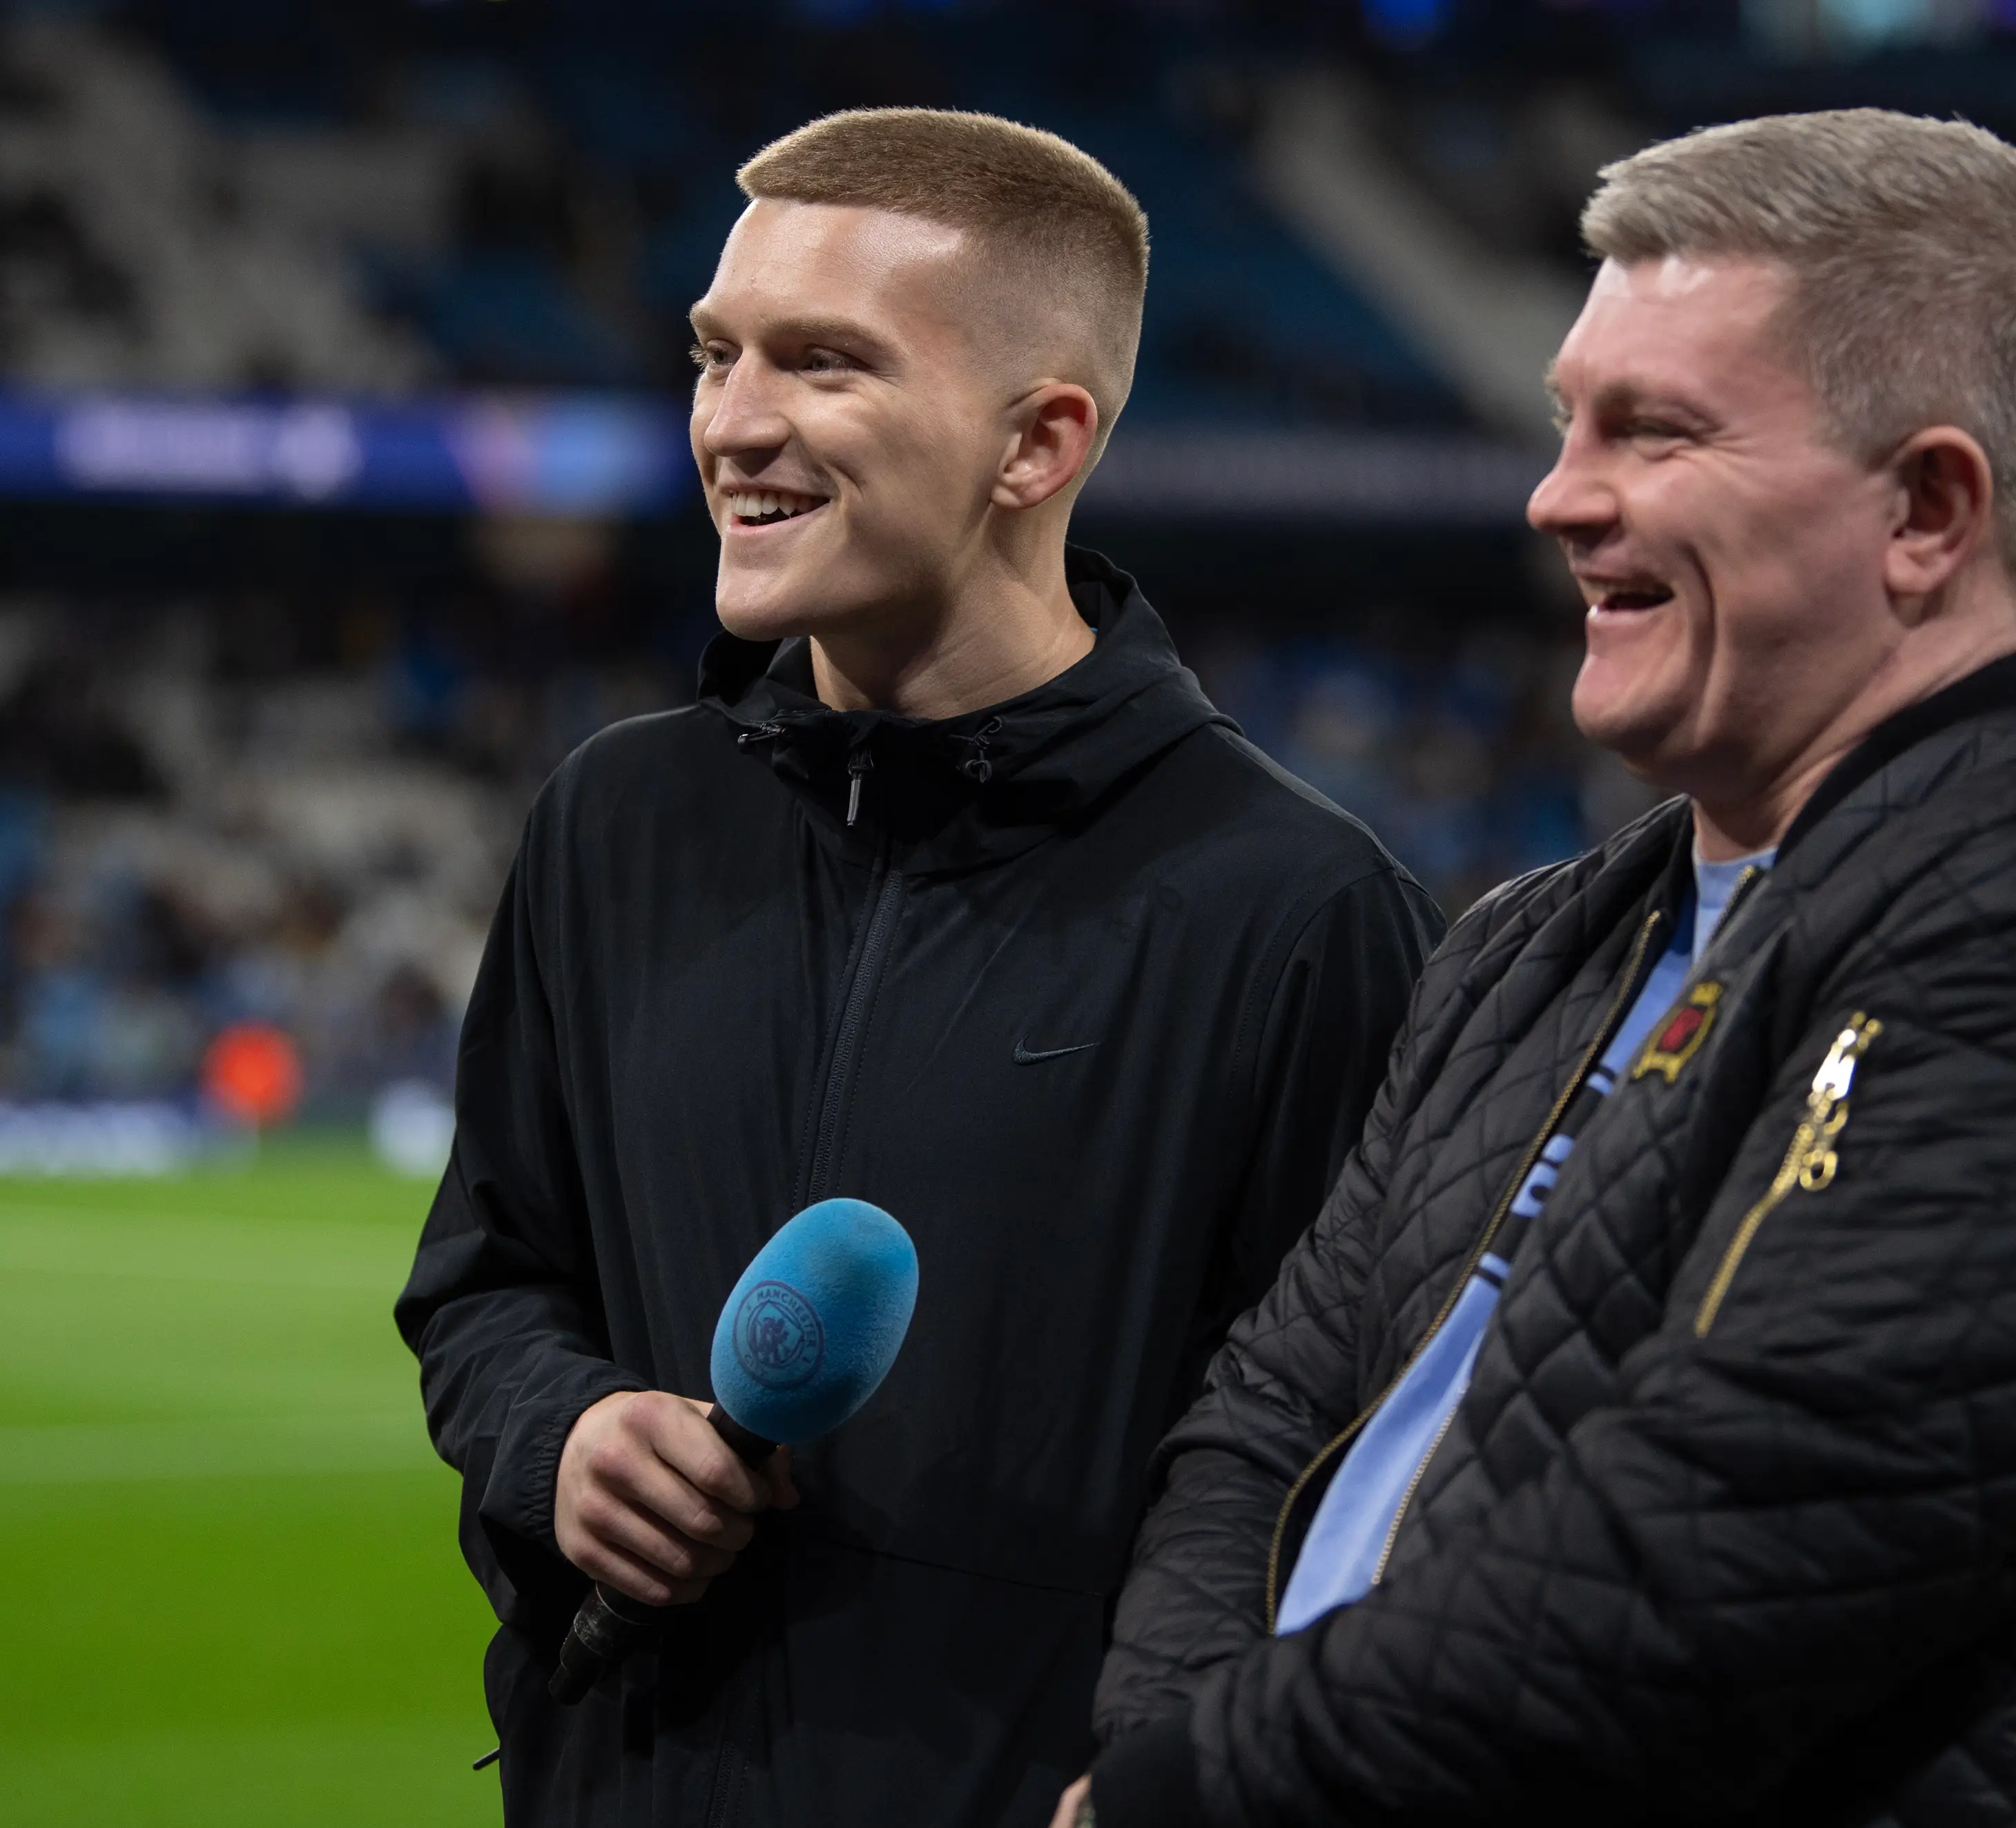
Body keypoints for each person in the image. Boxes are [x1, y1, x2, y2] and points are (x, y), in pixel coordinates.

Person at [1065, 110, 2016, 1828]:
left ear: (1925, 511)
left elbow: (1710, 1558)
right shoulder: (1529, 945)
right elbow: (1264, 1423)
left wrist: (1200, 1789)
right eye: (1568, 422)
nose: (1558, 495)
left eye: (1652, 432)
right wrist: (1164, 1745)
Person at [394, 109, 1443, 1828]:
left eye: (824, 364)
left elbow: (1367, 1482)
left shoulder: (1299, 913)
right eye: (714, 354)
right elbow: (486, 1281)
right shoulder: (615, 823)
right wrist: (563, 1435)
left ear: (1035, 443)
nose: (733, 423)